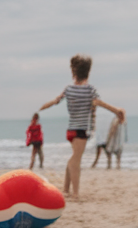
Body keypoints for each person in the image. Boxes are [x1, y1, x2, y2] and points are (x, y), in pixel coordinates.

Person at [39, 55, 125, 199]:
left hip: (71, 130)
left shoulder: (68, 89)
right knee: (76, 159)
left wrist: (42, 108)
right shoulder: (90, 90)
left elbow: (55, 101)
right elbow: (100, 103)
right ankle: (76, 193)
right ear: (88, 72)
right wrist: (117, 111)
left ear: (74, 71)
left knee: (74, 157)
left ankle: (66, 189)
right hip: (81, 130)